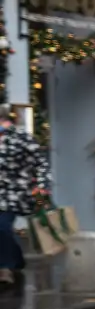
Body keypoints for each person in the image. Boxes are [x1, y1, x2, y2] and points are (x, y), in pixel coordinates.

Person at [0, 111, 51, 290]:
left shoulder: (21, 138)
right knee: (3, 229)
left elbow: (40, 163)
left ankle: (5, 269)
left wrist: (42, 186)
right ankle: (16, 258)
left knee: (2, 226)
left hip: (13, 192)